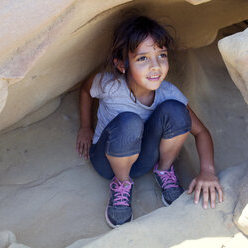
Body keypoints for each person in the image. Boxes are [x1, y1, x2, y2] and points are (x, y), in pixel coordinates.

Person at [76, 15, 223, 228]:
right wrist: (86, 127)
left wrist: (208, 171)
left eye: (161, 55)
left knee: (176, 110)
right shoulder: (108, 85)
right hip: (107, 161)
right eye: (142, 58)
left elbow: (201, 132)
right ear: (121, 65)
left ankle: (164, 170)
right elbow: (85, 90)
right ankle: (122, 184)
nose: (155, 66)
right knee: (129, 122)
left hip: (144, 159)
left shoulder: (168, 93)